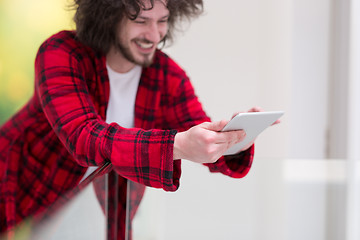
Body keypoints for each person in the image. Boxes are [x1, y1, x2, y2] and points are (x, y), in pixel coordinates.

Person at [0, 0, 263, 238]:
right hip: (16, 194)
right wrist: (178, 145)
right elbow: (84, 138)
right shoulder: (62, 52)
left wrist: (234, 136)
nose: (154, 35)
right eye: (140, 21)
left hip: (87, 217)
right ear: (108, 16)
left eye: (162, 21)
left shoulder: (166, 76)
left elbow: (200, 134)